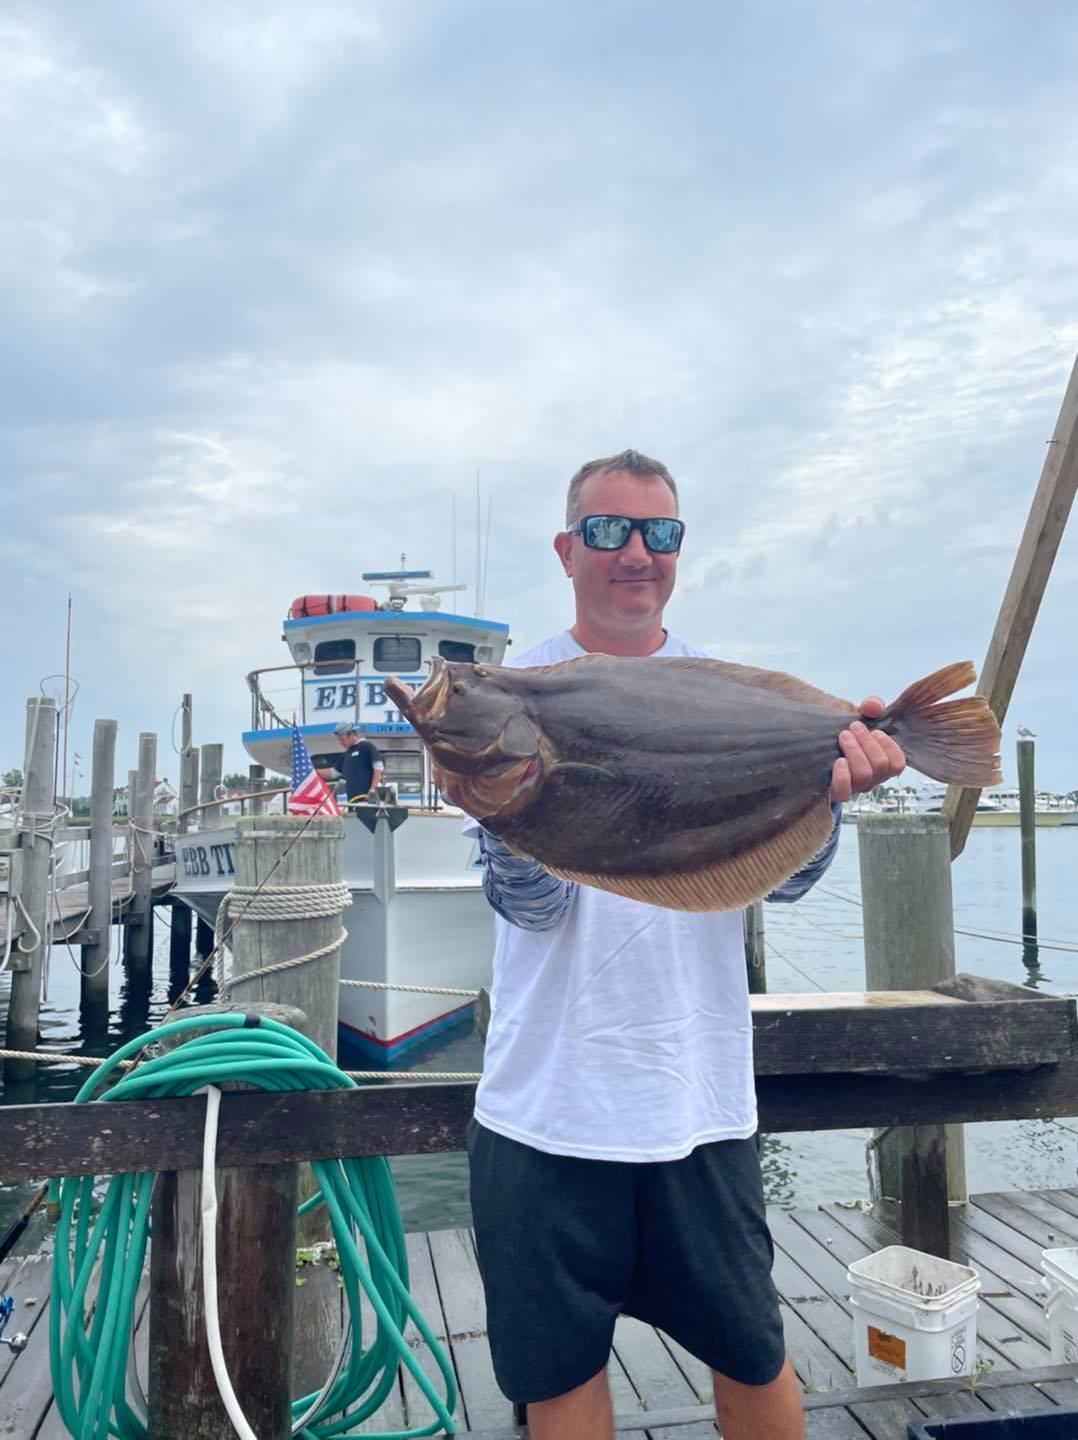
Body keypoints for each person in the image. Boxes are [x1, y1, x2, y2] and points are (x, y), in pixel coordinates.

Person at [441, 450, 905, 1440]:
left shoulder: (717, 689)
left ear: (679, 551)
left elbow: (783, 881)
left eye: (658, 533)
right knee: (557, 1376)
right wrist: (505, 811)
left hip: (696, 1099)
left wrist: (836, 794)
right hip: (546, 1108)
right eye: (608, 531)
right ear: (568, 549)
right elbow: (529, 911)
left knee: (749, 1351)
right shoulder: (518, 691)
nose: (635, 553)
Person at [317, 722, 384, 804]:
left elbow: (378, 768)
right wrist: (313, 772)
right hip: (352, 800)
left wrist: (372, 789)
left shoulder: (366, 746)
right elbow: (333, 773)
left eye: (342, 739)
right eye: (339, 740)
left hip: (368, 800)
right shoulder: (346, 754)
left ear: (351, 734)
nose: (341, 742)